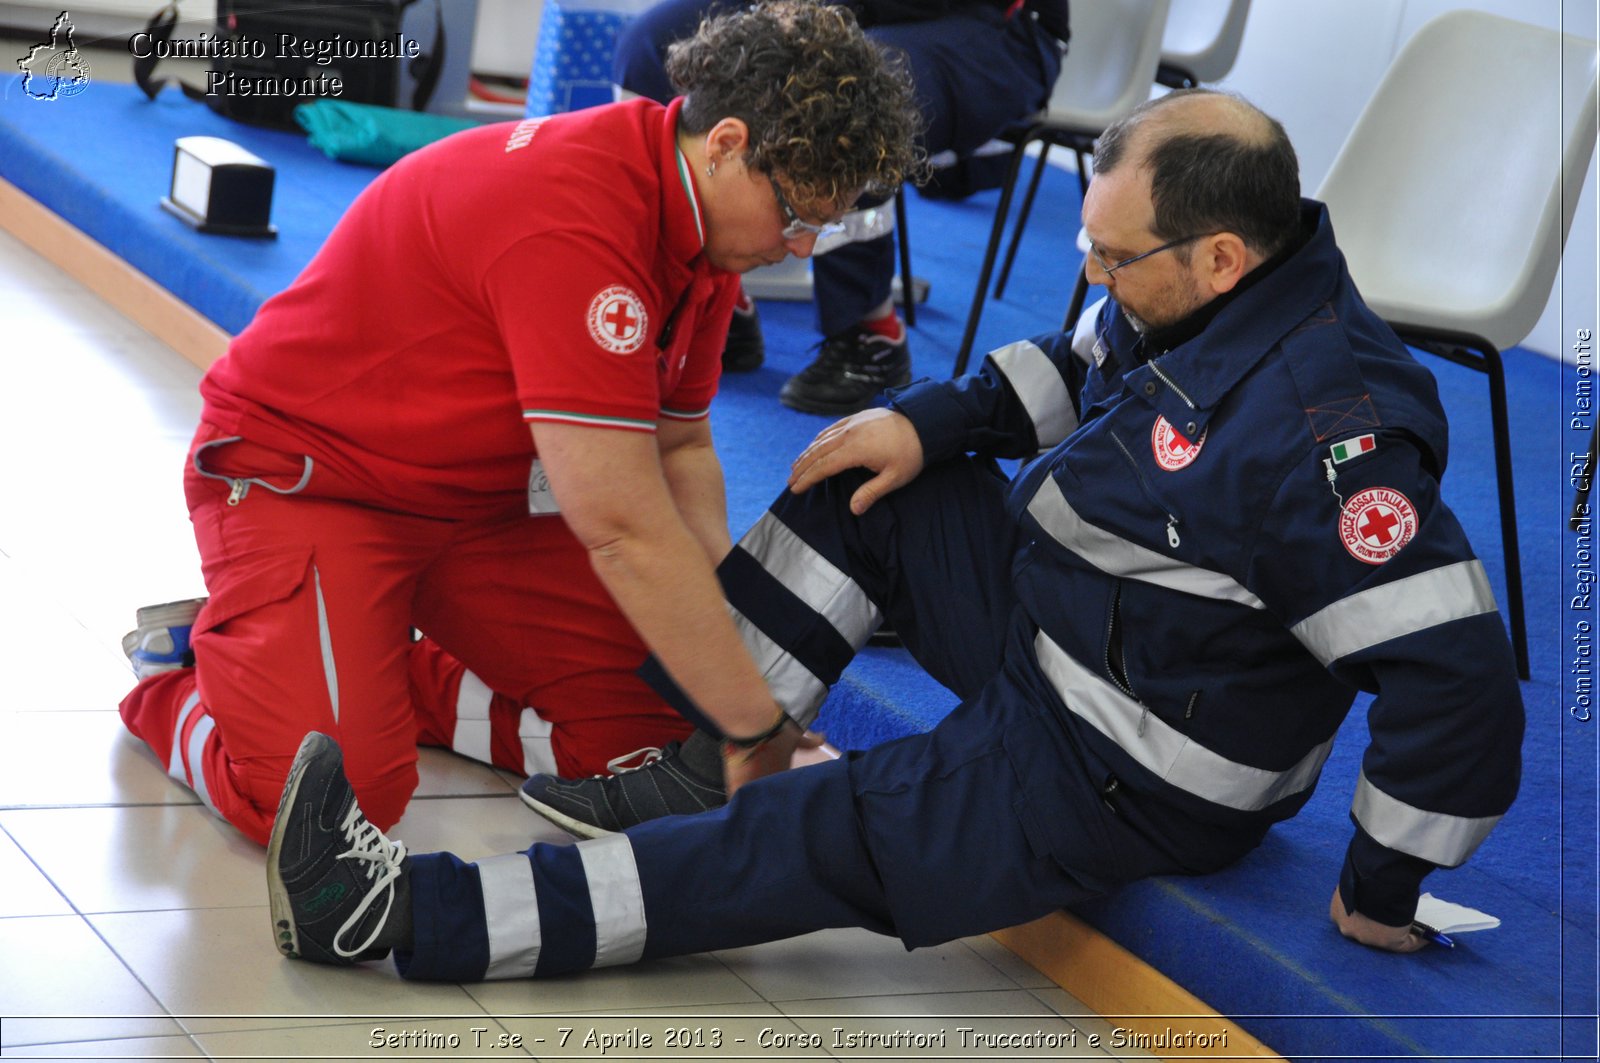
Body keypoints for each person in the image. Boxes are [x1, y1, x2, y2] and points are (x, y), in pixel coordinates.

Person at [264, 89, 1524, 978]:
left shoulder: (1328, 438)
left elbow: (1457, 686)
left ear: (1221, 256)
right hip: (1070, 635)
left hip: (1127, 769)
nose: (1088, 273)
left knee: (809, 835)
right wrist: (926, 422)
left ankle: (393, 917)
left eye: (1108, 253)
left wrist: (1379, 892)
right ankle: (710, 756)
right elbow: (1077, 367)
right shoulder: (1195, 295)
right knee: (866, 481)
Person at [117, 1, 922, 847]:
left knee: (663, 730)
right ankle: (188, 679)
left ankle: (361, 653)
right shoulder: (579, 215)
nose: (802, 246)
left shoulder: (705, 231)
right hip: (315, 478)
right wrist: (755, 724)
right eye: (798, 214)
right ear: (724, 145)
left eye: (823, 228)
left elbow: (680, 448)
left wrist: (738, 660)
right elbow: (619, 524)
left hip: (485, 502)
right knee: (332, 803)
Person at [613, 0, 1069, 414]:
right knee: (652, 43)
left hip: (996, 24)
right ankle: (707, 290)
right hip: (852, 9)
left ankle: (870, 334)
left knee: (845, 97)